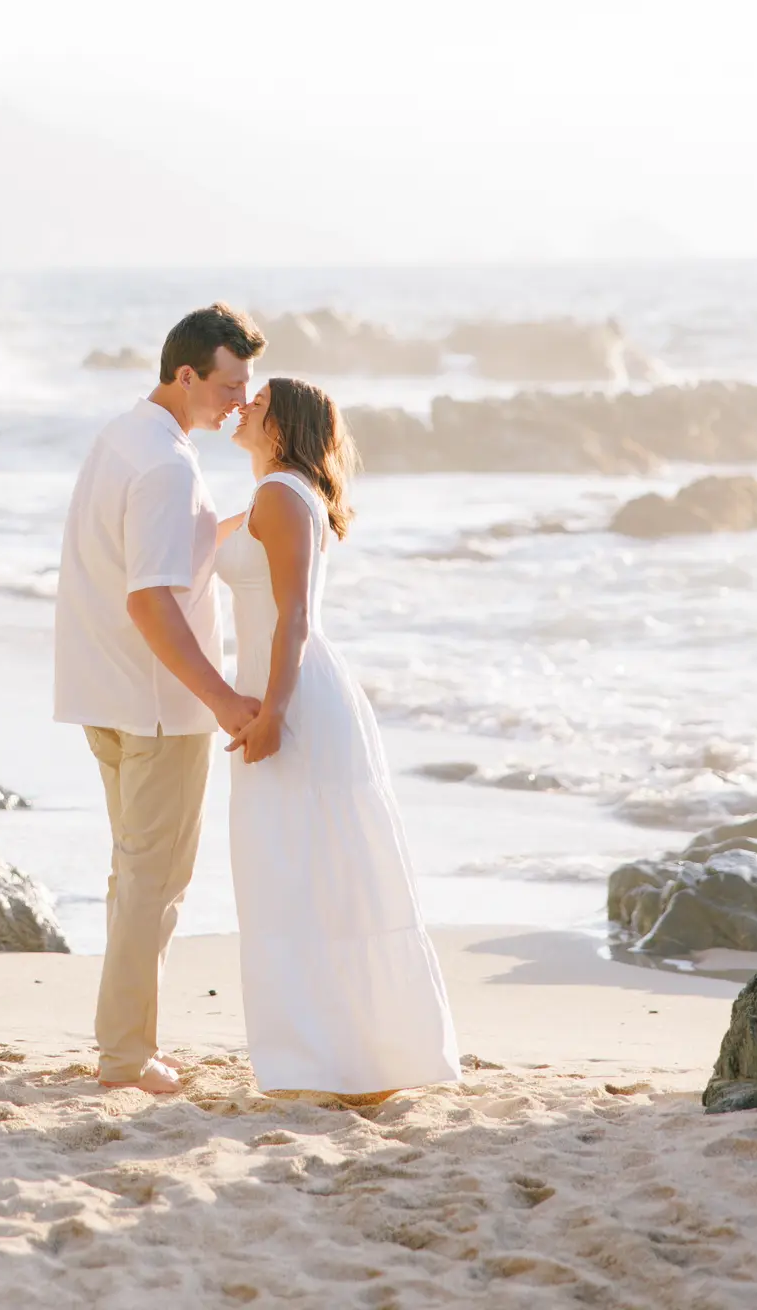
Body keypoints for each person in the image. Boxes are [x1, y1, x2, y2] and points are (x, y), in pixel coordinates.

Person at [217, 376, 461, 1100]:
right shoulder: (277, 495)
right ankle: (335, 1056)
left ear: (283, 426)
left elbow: (293, 616)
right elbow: (199, 542)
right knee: (307, 875)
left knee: (296, 874)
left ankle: (321, 1061)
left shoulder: (280, 495)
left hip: (294, 697)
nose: (242, 407)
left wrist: (272, 713)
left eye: (257, 403)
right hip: (291, 689)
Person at [54, 302, 266, 1094]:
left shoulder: (124, 436)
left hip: (105, 692)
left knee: (134, 878)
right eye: (229, 385)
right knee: (155, 884)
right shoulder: (168, 466)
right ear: (186, 374)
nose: (241, 401)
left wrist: (260, 518)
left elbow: (173, 550)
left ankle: (123, 1043)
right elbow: (151, 600)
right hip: (158, 708)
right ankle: (126, 1057)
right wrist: (224, 700)